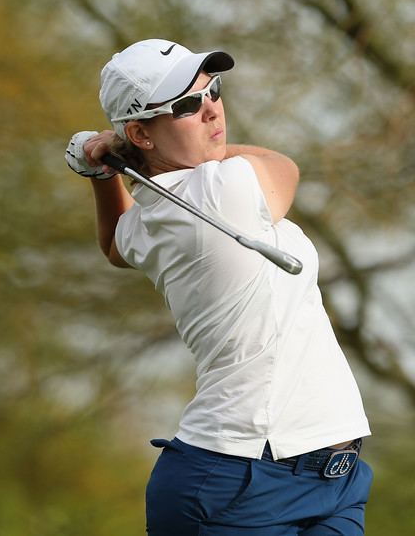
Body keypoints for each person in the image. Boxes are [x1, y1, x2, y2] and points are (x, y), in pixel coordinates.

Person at [65, 38, 373, 535]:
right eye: (187, 105)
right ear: (141, 133)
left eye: (214, 92)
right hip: (241, 484)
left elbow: (114, 246)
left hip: (330, 477)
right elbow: (285, 167)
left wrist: (105, 172)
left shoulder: (155, 213)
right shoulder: (220, 188)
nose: (211, 112)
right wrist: (116, 157)